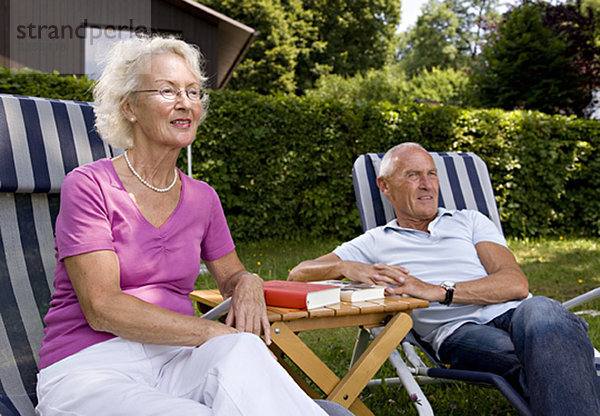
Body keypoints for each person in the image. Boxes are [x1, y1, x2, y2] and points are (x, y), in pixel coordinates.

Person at [35, 35, 328, 416]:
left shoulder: (202, 197)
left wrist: (250, 283)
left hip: (175, 361)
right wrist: (210, 331)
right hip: (91, 367)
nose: (186, 102)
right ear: (129, 107)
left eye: (193, 91)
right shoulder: (90, 186)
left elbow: (232, 275)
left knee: (242, 348)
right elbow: (102, 307)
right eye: (167, 90)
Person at [289, 142, 600, 415]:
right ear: (384, 186)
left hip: (520, 314)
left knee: (545, 312)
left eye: (431, 174)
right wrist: (346, 268)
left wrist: (437, 291)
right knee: (553, 355)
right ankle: (571, 350)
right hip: (458, 332)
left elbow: (515, 284)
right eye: (413, 175)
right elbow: (298, 274)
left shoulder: (469, 220)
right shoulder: (374, 241)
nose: (427, 185)